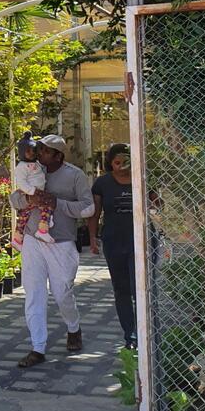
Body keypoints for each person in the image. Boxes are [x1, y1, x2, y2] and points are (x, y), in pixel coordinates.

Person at [10, 134, 95, 368]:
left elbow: (88, 208)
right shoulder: (30, 169)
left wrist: (56, 203)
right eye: (39, 149)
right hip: (32, 240)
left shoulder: (75, 175)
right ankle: (37, 347)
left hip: (61, 243)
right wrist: (30, 200)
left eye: (46, 151)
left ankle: (73, 328)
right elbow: (14, 200)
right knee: (34, 293)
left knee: (62, 293)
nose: (39, 154)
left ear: (59, 155)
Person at [88, 143, 137, 349]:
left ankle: (146, 332)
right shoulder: (102, 183)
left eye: (126, 161)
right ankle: (130, 336)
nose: (121, 166)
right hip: (114, 241)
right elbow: (95, 212)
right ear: (110, 163)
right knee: (121, 289)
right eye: (117, 162)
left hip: (139, 242)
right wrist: (92, 238)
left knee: (139, 288)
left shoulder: (142, 178)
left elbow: (157, 204)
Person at [12, 131, 54, 248]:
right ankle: (43, 229)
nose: (31, 153)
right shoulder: (21, 167)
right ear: (22, 152)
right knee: (48, 205)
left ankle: (17, 239)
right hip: (32, 193)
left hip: (37, 191)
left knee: (24, 216)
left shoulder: (36, 163)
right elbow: (21, 182)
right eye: (28, 151)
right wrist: (31, 191)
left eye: (33, 150)